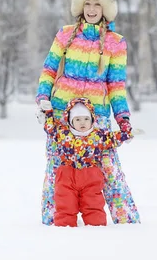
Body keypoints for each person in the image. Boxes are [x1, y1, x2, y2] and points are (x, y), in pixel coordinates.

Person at [36, 0, 140, 225]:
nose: (92, 9)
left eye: (97, 4)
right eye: (87, 3)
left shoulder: (116, 42)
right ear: (80, 6)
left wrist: (122, 118)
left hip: (97, 115)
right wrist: (43, 97)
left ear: (106, 8)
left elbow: (116, 85)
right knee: (57, 166)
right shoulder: (65, 34)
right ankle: (53, 218)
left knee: (108, 165)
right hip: (62, 111)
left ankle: (125, 218)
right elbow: (49, 69)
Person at [39, 97, 133, 227]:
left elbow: (112, 138)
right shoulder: (63, 133)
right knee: (65, 205)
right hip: (67, 176)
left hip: (91, 177)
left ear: (92, 119)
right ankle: (63, 230)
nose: (82, 123)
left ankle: (96, 228)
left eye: (86, 119)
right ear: (70, 120)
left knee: (94, 205)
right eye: (77, 119)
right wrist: (48, 112)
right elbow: (50, 128)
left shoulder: (98, 136)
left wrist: (126, 133)